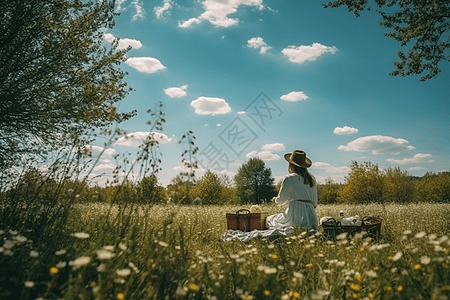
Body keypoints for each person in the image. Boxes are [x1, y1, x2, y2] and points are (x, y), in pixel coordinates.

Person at [266, 150, 318, 230]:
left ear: (291, 165)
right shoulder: (312, 180)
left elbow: (281, 201)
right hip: (311, 218)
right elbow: (315, 203)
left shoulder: (289, 179)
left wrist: (275, 200)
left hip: (295, 215)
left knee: (269, 220)